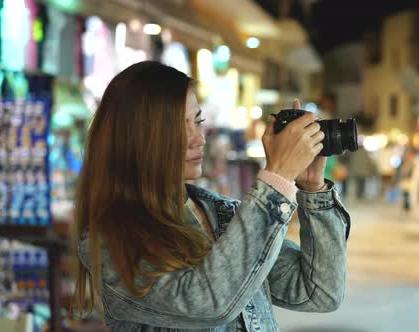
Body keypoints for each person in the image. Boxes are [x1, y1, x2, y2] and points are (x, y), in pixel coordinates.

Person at [71, 61, 350, 331]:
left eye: (198, 121)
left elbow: (319, 292)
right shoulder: (110, 242)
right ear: (139, 138)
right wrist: (276, 179)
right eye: (180, 126)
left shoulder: (225, 214)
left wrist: (313, 189)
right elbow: (210, 302)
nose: (199, 138)